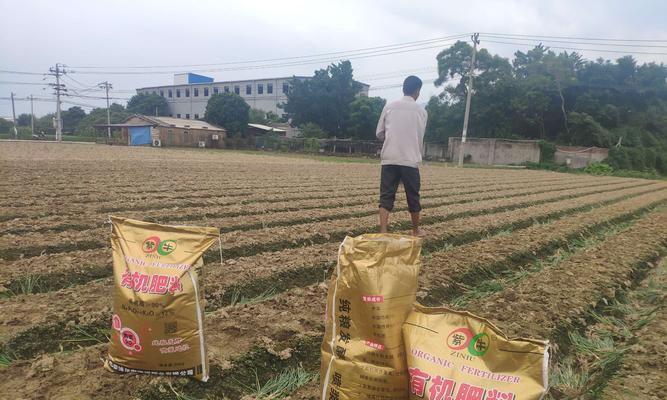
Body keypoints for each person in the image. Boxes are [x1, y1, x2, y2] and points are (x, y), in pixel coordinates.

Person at [375, 75, 427, 236]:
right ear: (417, 91)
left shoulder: (389, 107)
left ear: (403, 88)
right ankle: (415, 230)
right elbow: (420, 136)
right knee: (413, 196)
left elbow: (379, 133)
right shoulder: (421, 111)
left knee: (386, 196)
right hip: (410, 160)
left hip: (390, 157)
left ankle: (383, 231)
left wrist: (391, 140)